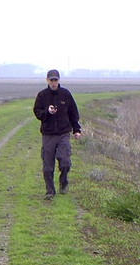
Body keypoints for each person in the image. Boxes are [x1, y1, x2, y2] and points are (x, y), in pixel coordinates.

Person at [33, 69, 82, 200]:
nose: (53, 82)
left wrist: (76, 130)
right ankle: (50, 191)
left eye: (55, 80)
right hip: (48, 135)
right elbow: (37, 113)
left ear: (59, 80)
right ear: (47, 80)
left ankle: (63, 181)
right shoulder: (42, 96)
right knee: (48, 166)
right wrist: (47, 112)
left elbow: (73, 114)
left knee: (65, 162)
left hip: (63, 134)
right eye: (51, 80)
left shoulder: (66, 94)